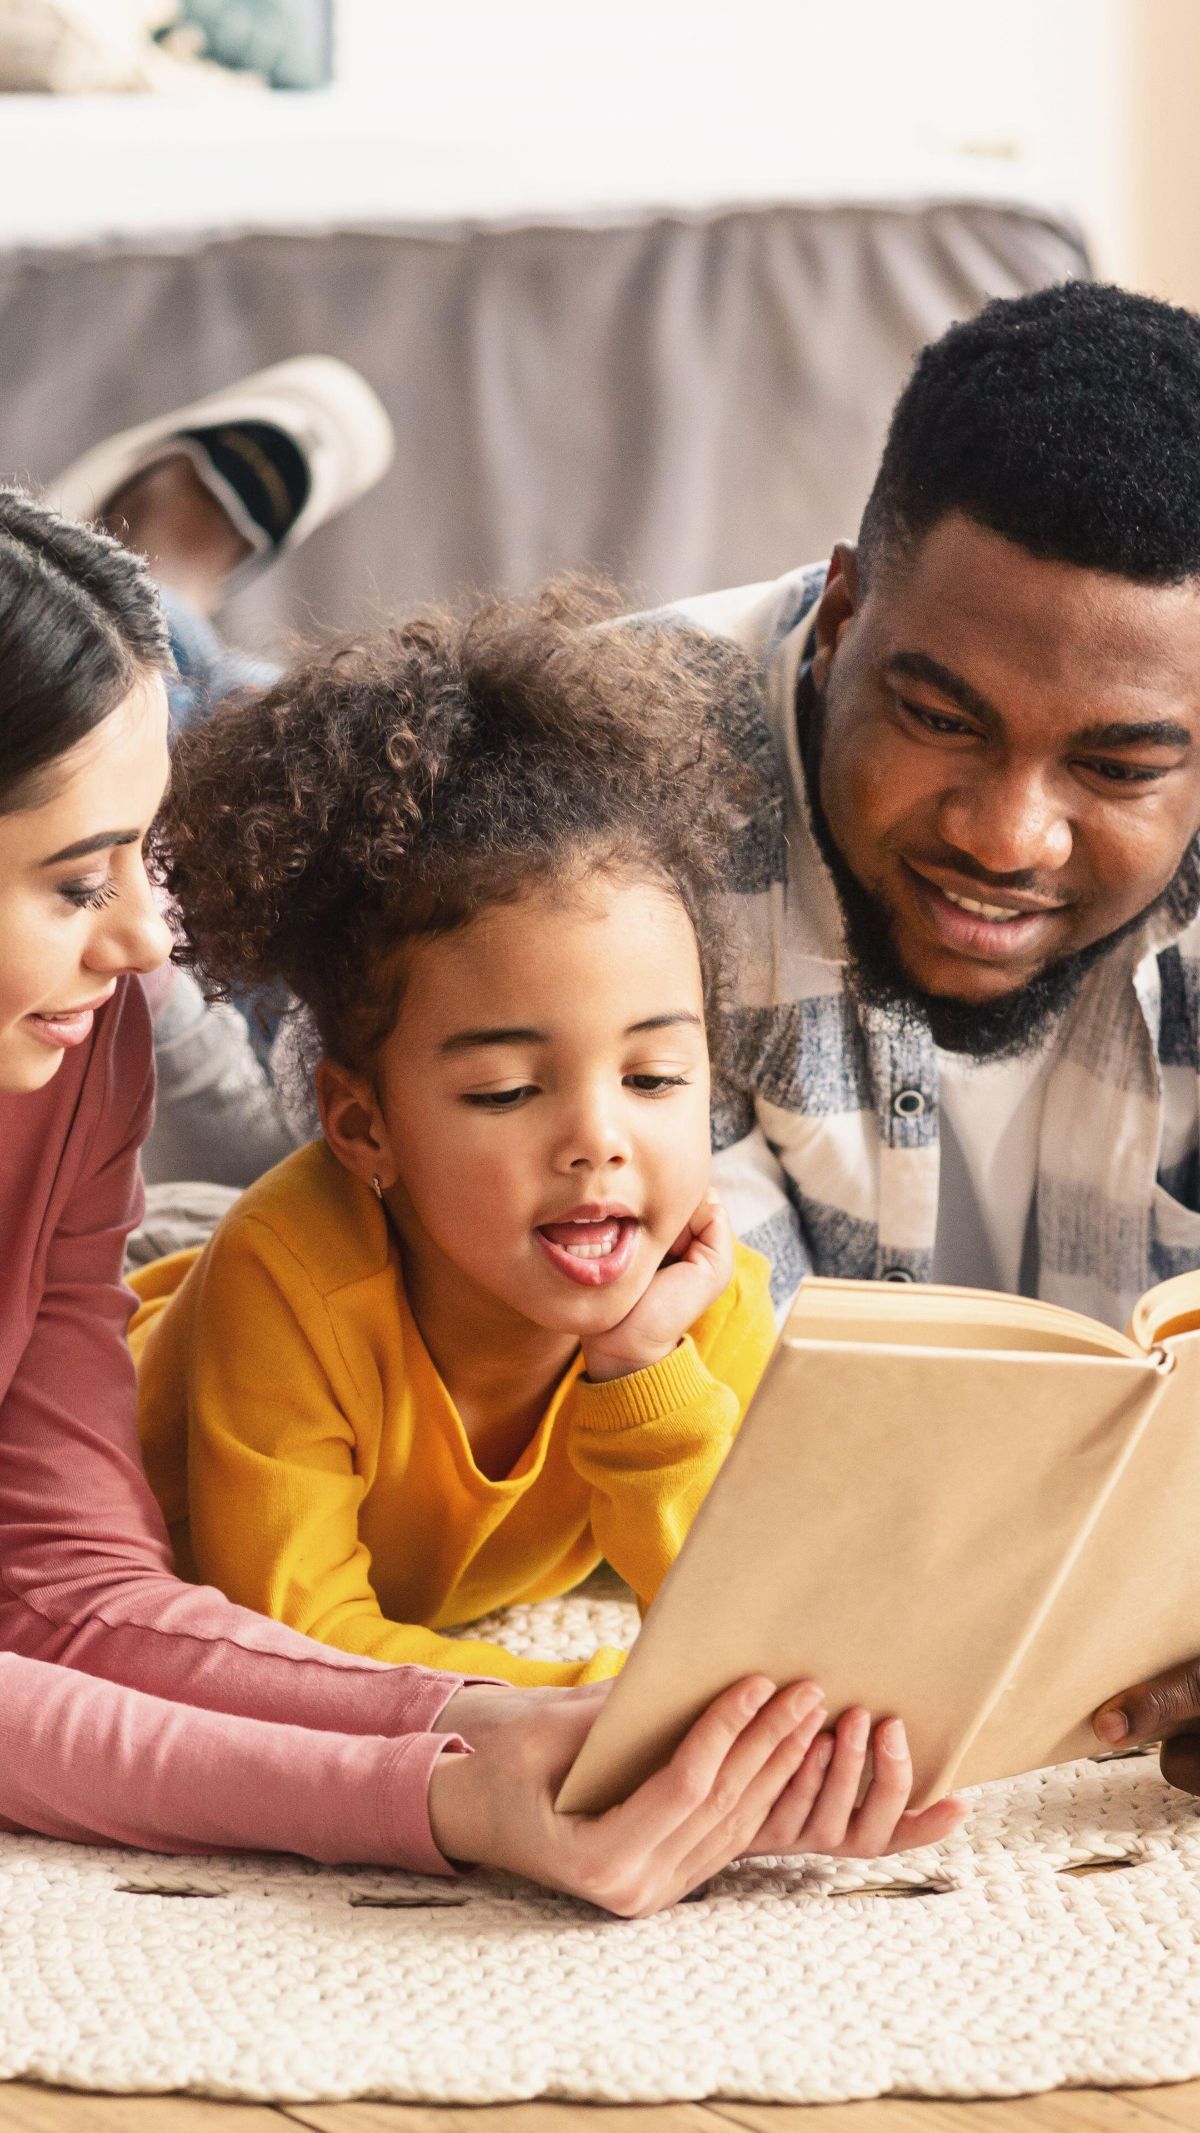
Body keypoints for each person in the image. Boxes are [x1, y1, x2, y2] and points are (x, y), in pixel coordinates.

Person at [0, 482, 965, 1907]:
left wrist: (540, 1732)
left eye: (140, 856)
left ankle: (178, 575)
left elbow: (70, 1591)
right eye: (80, 880)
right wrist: (456, 1779)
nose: (150, 940)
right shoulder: (305, 1265)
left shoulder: (87, 1057)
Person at [667, 279, 1200, 1795]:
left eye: (1114, 763)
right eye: (942, 716)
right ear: (842, 615)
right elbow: (683, 1413)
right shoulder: (597, 802)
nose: (1006, 835)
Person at [126, 582, 779, 1685]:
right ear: (362, 1122)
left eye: (656, 1076)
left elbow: (762, 1620)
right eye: (507, 1092)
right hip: (111, 1349)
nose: (598, 1140)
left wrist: (639, 1371)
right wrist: (593, 1702)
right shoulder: (288, 1284)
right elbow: (294, 1641)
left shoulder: (698, 1302)